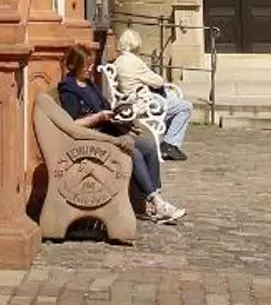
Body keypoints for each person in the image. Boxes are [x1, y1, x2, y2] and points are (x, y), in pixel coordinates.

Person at [57, 45, 184, 224]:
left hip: (108, 130)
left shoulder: (90, 85)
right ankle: (157, 202)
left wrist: (124, 124)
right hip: (92, 137)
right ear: (74, 66)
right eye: (86, 65)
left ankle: (152, 202)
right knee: (134, 152)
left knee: (149, 148)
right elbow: (72, 124)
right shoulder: (69, 90)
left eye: (91, 64)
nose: (90, 68)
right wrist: (98, 117)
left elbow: (107, 109)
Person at [111, 26, 194, 160]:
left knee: (170, 96)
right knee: (185, 106)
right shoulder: (134, 62)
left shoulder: (118, 61)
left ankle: (169, 143)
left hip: (128, 101)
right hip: (143, 103)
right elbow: (158, 81)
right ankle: (169, 144)